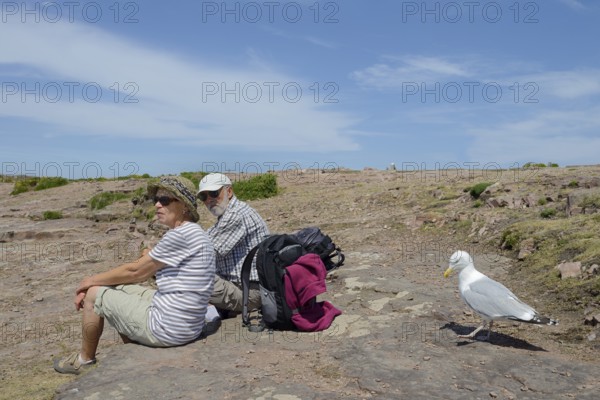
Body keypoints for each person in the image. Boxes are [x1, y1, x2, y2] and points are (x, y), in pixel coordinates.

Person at [53, 176, 215, 375]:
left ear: (184, 207)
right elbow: (147, 271)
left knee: (95, 293)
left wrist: (87, 283)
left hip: (170, 327)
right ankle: (135, 347)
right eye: (157, 198)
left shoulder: (180, 235)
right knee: (117, 288)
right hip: (187, 323)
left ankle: (84, 361)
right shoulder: (195, 232)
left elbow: (136, 272)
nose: (157, 204)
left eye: (165, 200)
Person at [197, 173, 269, 314]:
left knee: (193, 276)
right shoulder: (228, 214)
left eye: (213, 193)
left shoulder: (235, 215)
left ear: (229, 192)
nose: (209, 200)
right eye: (204, 197)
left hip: (251, 293)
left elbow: (205, 254)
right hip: (243, 287)